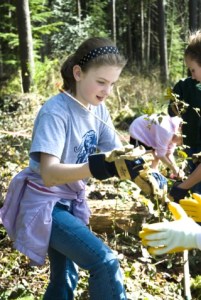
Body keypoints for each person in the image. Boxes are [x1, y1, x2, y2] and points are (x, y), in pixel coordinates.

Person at [0, 37, 166, 300]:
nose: (107, 91)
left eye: (112, 84)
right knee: (105, 262)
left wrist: (146, 173)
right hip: (44, 203)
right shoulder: (56, 112)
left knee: (65, 277)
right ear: (78, 73)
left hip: (68, 202)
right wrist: (96, 166)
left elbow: (119, 156)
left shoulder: (98, 110)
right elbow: (50, 173)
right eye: (101, 82)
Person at [168, 30, 201, 194]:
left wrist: (182, 187)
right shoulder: (185, 86)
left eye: (193, 70)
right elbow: (171, 111)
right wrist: (175, 106)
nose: (192, 76)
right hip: (192, 146)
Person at [129, 113, 184, 179]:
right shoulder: (167, 131)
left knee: (155, 159)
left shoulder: (176, 132)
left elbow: (168, 153)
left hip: (150, 133)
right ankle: (139, 177)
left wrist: (176, 168)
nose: (180, 145)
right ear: (180, 135)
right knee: (149, 158)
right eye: (181, 142)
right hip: (138, 131)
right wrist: (173, 169)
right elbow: (160, 155)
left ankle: (153, 176)